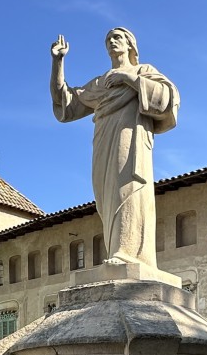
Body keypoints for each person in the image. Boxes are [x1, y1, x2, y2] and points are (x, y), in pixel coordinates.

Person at [50, 29, 180, 268]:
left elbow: (168, 98)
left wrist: (129, 79)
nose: (111, 41)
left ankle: (127, 252)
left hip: (130, 139)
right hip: (103, 141)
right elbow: (67, 104)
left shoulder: (143, 70)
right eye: (108, 39)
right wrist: (58, 62)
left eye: (117, 37)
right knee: (106, 198)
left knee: (126, 188)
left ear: (130, 45)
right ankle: (116, 249)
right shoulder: (101, 82)